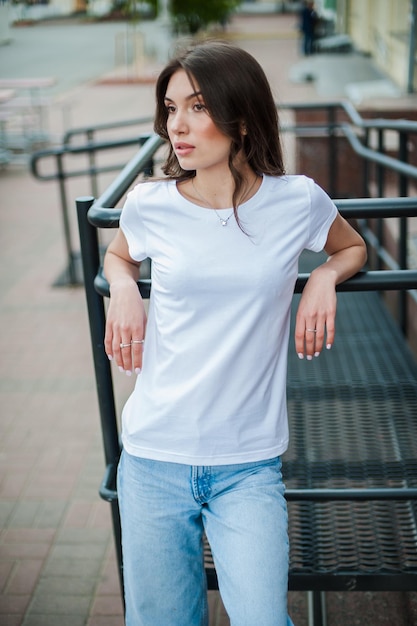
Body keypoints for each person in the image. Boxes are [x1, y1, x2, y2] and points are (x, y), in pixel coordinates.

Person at [103, 40, 367, 626]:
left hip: (247, 465)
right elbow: (118, 259)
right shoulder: (150, 205)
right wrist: (123, 288)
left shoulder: (295, 200)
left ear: (241, 116)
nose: (178, 126)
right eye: (170, 109)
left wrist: (323, 275)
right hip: (152, 459)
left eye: (196, 106)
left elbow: (352, 245)